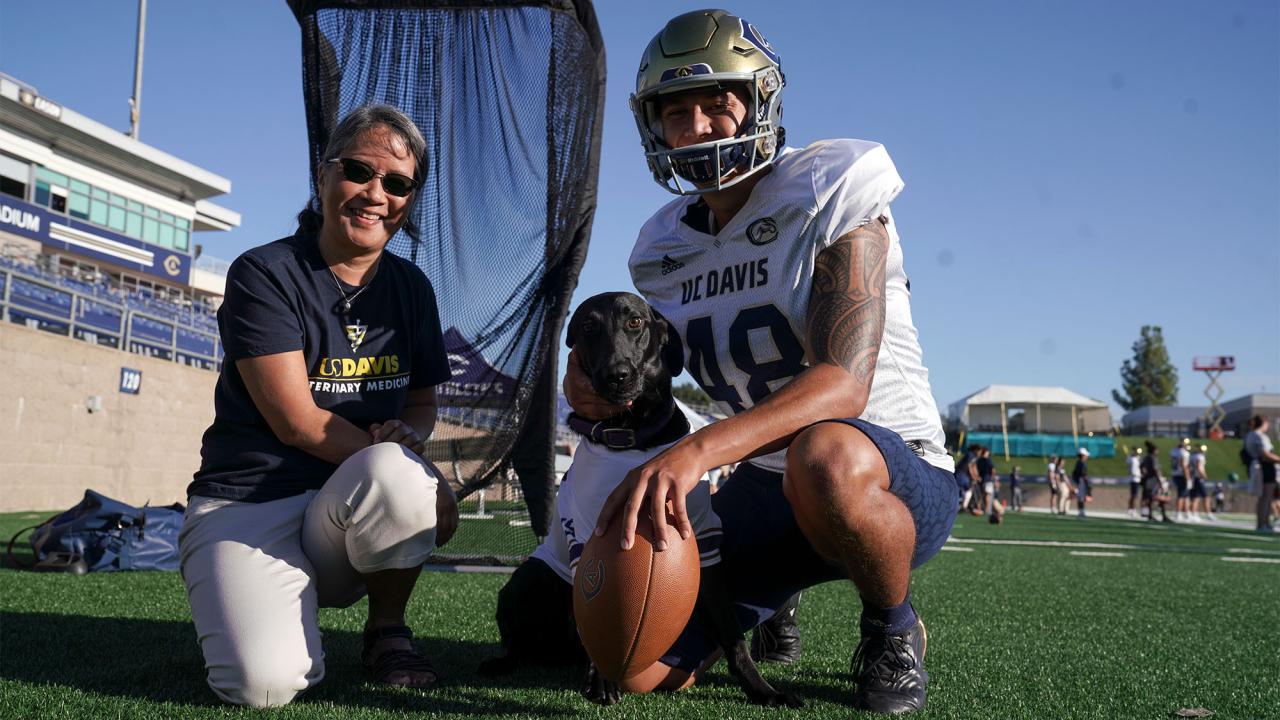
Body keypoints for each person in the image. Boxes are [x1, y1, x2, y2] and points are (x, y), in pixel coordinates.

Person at [564, 10, 956, 714]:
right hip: (762, 486)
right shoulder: (660, 251)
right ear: (653, 127)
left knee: (825, 454)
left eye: (719, 102)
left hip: (889, 472)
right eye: (676, 111)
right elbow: (652, 370)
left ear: (762, 102)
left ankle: (892, 628)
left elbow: (842, 383)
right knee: (639, 668)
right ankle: (778, 597)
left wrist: (693, 454)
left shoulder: (830, 187)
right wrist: (590, 387)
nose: (700, 125)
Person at [179, 105, 457, 707]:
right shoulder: (266, 272)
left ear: (411, 199)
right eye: (358, 170)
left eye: (398, 182)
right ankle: (261, 600)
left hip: (344, 510)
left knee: (393, 474)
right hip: (249, 501)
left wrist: (408, 442)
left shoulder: (411, 287)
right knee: (262, 685)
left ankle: (387, 631)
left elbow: (422, 399)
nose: (375, 193)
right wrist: (426, 472)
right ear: (323, 174)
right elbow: (298, 423)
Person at [1244, 415, 1280, 532]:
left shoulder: (1250, 435)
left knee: (1263, 498)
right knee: (1266, 497)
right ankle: (1263, 524)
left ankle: (1262, 523)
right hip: (1265, 467)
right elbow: (1265, 454)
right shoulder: (1259, 436)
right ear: (1264, 423)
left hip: (1259, 466)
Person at [1140, 440, 1171, 523]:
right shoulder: (1152, 458)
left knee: (1151, 497)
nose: (1158, 451)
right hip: (1155, 479)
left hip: (1149, 479)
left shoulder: (1146, 457)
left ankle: (1151, 514)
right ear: (1153, 450)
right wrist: (1160, 480)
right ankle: (1162, 515)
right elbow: (1155, 469)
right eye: (1157, 450)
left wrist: (1144, 473)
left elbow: (1141, 466)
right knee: (1160, 498)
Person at [1189, 444, 1213, 521]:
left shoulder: (1192, 456)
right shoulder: (1200, 457)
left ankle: (1193, 513)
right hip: (1198, 478)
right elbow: (1199, 467)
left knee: (1195, 497)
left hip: (1193, 478)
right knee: (1206, 496)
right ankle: (1208, 513)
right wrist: (1204, 476)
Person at [1170, 438, 1192, 521]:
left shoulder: (1174, 451)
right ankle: (1178, 513)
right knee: (1182, 495)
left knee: (1185, 495)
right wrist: (1188, 478)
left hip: (1175, 474)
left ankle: (1186, 513)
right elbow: (1184, 466)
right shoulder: (1184, 453)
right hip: (1182, 475)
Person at [956, 443, 980, 513]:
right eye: (979, 451)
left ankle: (964, 506)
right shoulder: (970, 454)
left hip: (964, 475)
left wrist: (976, 476)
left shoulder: (974, 456)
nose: (980, 453)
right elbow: (970, 466)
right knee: (965, 489)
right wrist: (973, 476)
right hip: (960, 474)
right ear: (976, 450)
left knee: (968, 489)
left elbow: (974, 467)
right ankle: (963, 506)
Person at [977, 447, 996, 516]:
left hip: (981, 480)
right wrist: (994, 478)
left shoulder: (979, 460)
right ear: (986, 452)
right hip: (988, 480)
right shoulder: (988, 460)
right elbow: (992, 470)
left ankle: (978, 508)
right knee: (988, 495)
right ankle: (987, 510)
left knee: (982, 495)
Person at [1072, 448, 1091, 518]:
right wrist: (1087, 483)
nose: (1087, 457)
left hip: (1079, 481)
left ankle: (1081, 511)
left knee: (1081, 497)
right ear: (1082, 455)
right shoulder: (1082, 463)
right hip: (1081, 481)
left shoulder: (1078, 462)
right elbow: (1084, 474)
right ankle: (1081, 511)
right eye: (1085, 455)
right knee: (1081, 497)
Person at [1126, 446, 1143, 518]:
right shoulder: (1131, 459)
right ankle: (1132, 509)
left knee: (1135, 495)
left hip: (1137, 479)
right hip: (1134, 479)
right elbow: (1131, 470)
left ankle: (1131, 509)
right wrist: (1139, 475)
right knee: (1134, 495)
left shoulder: (1137, 459)